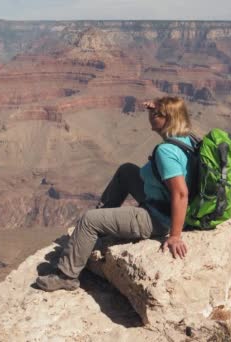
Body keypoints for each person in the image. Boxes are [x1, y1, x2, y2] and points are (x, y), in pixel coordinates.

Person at [36, 96, 194, 292]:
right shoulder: (186, 139)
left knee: (88, 220)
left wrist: (175, 235)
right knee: (126, 171)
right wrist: (156, 107)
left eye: (156, 114)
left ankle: (66, 276)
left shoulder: (166, 152)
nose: (151, 117)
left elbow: (180, 193)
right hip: (161, 202)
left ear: (168, 118)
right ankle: (100, 226)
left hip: (158, 218)